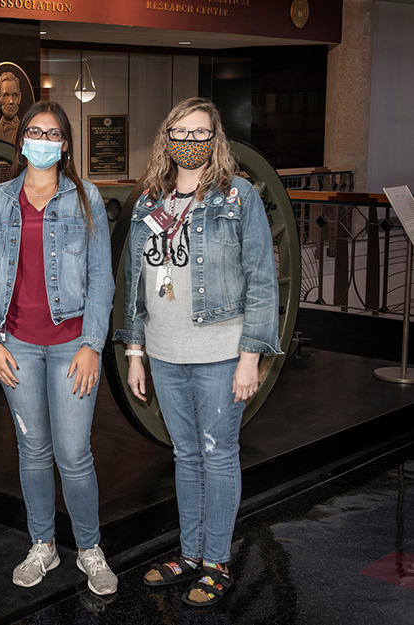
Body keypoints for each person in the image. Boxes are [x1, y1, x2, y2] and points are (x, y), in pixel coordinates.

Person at [116, 97, 281, 607]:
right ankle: (189, 554)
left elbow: (262, 280)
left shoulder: (238, 197)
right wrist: (135, 351)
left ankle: (216, 561)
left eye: (199, 133)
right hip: (165, 353)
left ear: (216, 139)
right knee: (185, 455)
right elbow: (135, 284)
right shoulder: (148, 202)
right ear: (167, 138)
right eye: (180, 132)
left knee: (218, 454)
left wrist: (250, 356)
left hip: (220, 352)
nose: (189, 142)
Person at [0, 101, 117, 596]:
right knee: (33, 450)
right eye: (34, 131)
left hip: (72, 343)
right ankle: (43, 545)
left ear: (66, 144)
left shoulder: (86, 197)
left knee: (75, 453)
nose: (42, 139)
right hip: (17, 345)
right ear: (22, 141)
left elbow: (102, 277)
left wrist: (93, 345)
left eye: (52, 133)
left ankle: (90, 548)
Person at [0, 72, 21, 143]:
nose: (11, 101)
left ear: (19, 98)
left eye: (14, 95)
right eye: (6, 95)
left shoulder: (26, 133)